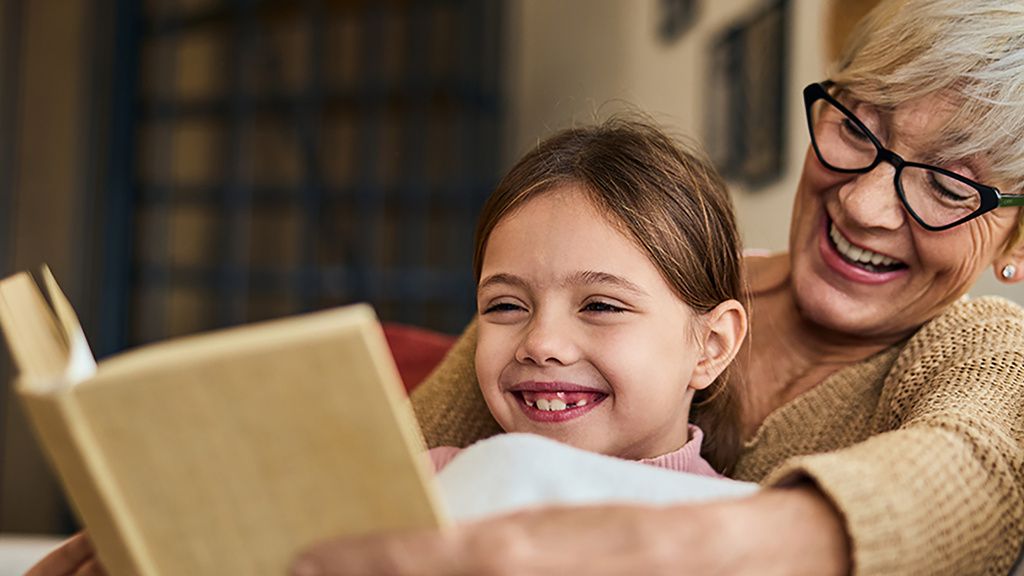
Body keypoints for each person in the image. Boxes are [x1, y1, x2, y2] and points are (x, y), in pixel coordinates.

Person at [27, 0, 1024, 574]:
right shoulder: (612, 285)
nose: (868, 207)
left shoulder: (975, 351)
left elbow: (977, 480)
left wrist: (635, 549)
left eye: (949, 182)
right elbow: (401, 479)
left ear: (1015, 241)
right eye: (857, 129)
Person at [427, 118, 748, 479]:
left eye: (600, 306)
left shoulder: (751, 526)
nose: (540, 343)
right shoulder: (425, 484)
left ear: (711, 345)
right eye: (506, 305)